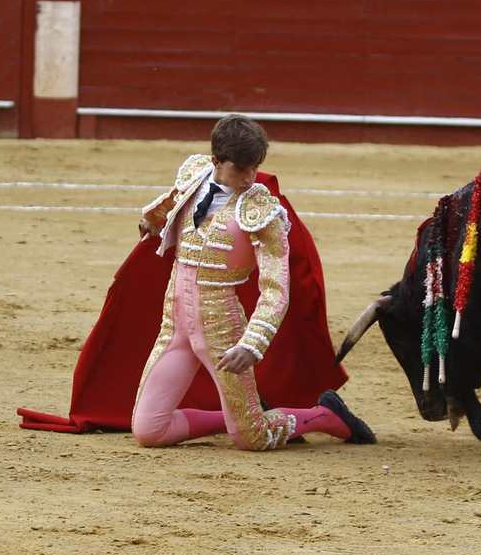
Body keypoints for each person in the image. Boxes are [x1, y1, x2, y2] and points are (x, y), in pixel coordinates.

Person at [131, 115, 376, 452]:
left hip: (222, 333)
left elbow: (277, 286)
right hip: (175, 326)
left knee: (252, 439)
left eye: (254, 169)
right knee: (149, 431)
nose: (249, 179)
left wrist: (252, 344)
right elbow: (176, 198)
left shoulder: (263, 211)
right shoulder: (196, 173)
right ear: (216, 162)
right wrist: (153, 220)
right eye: (239, 170)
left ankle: (325, 415)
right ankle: (237, 417)